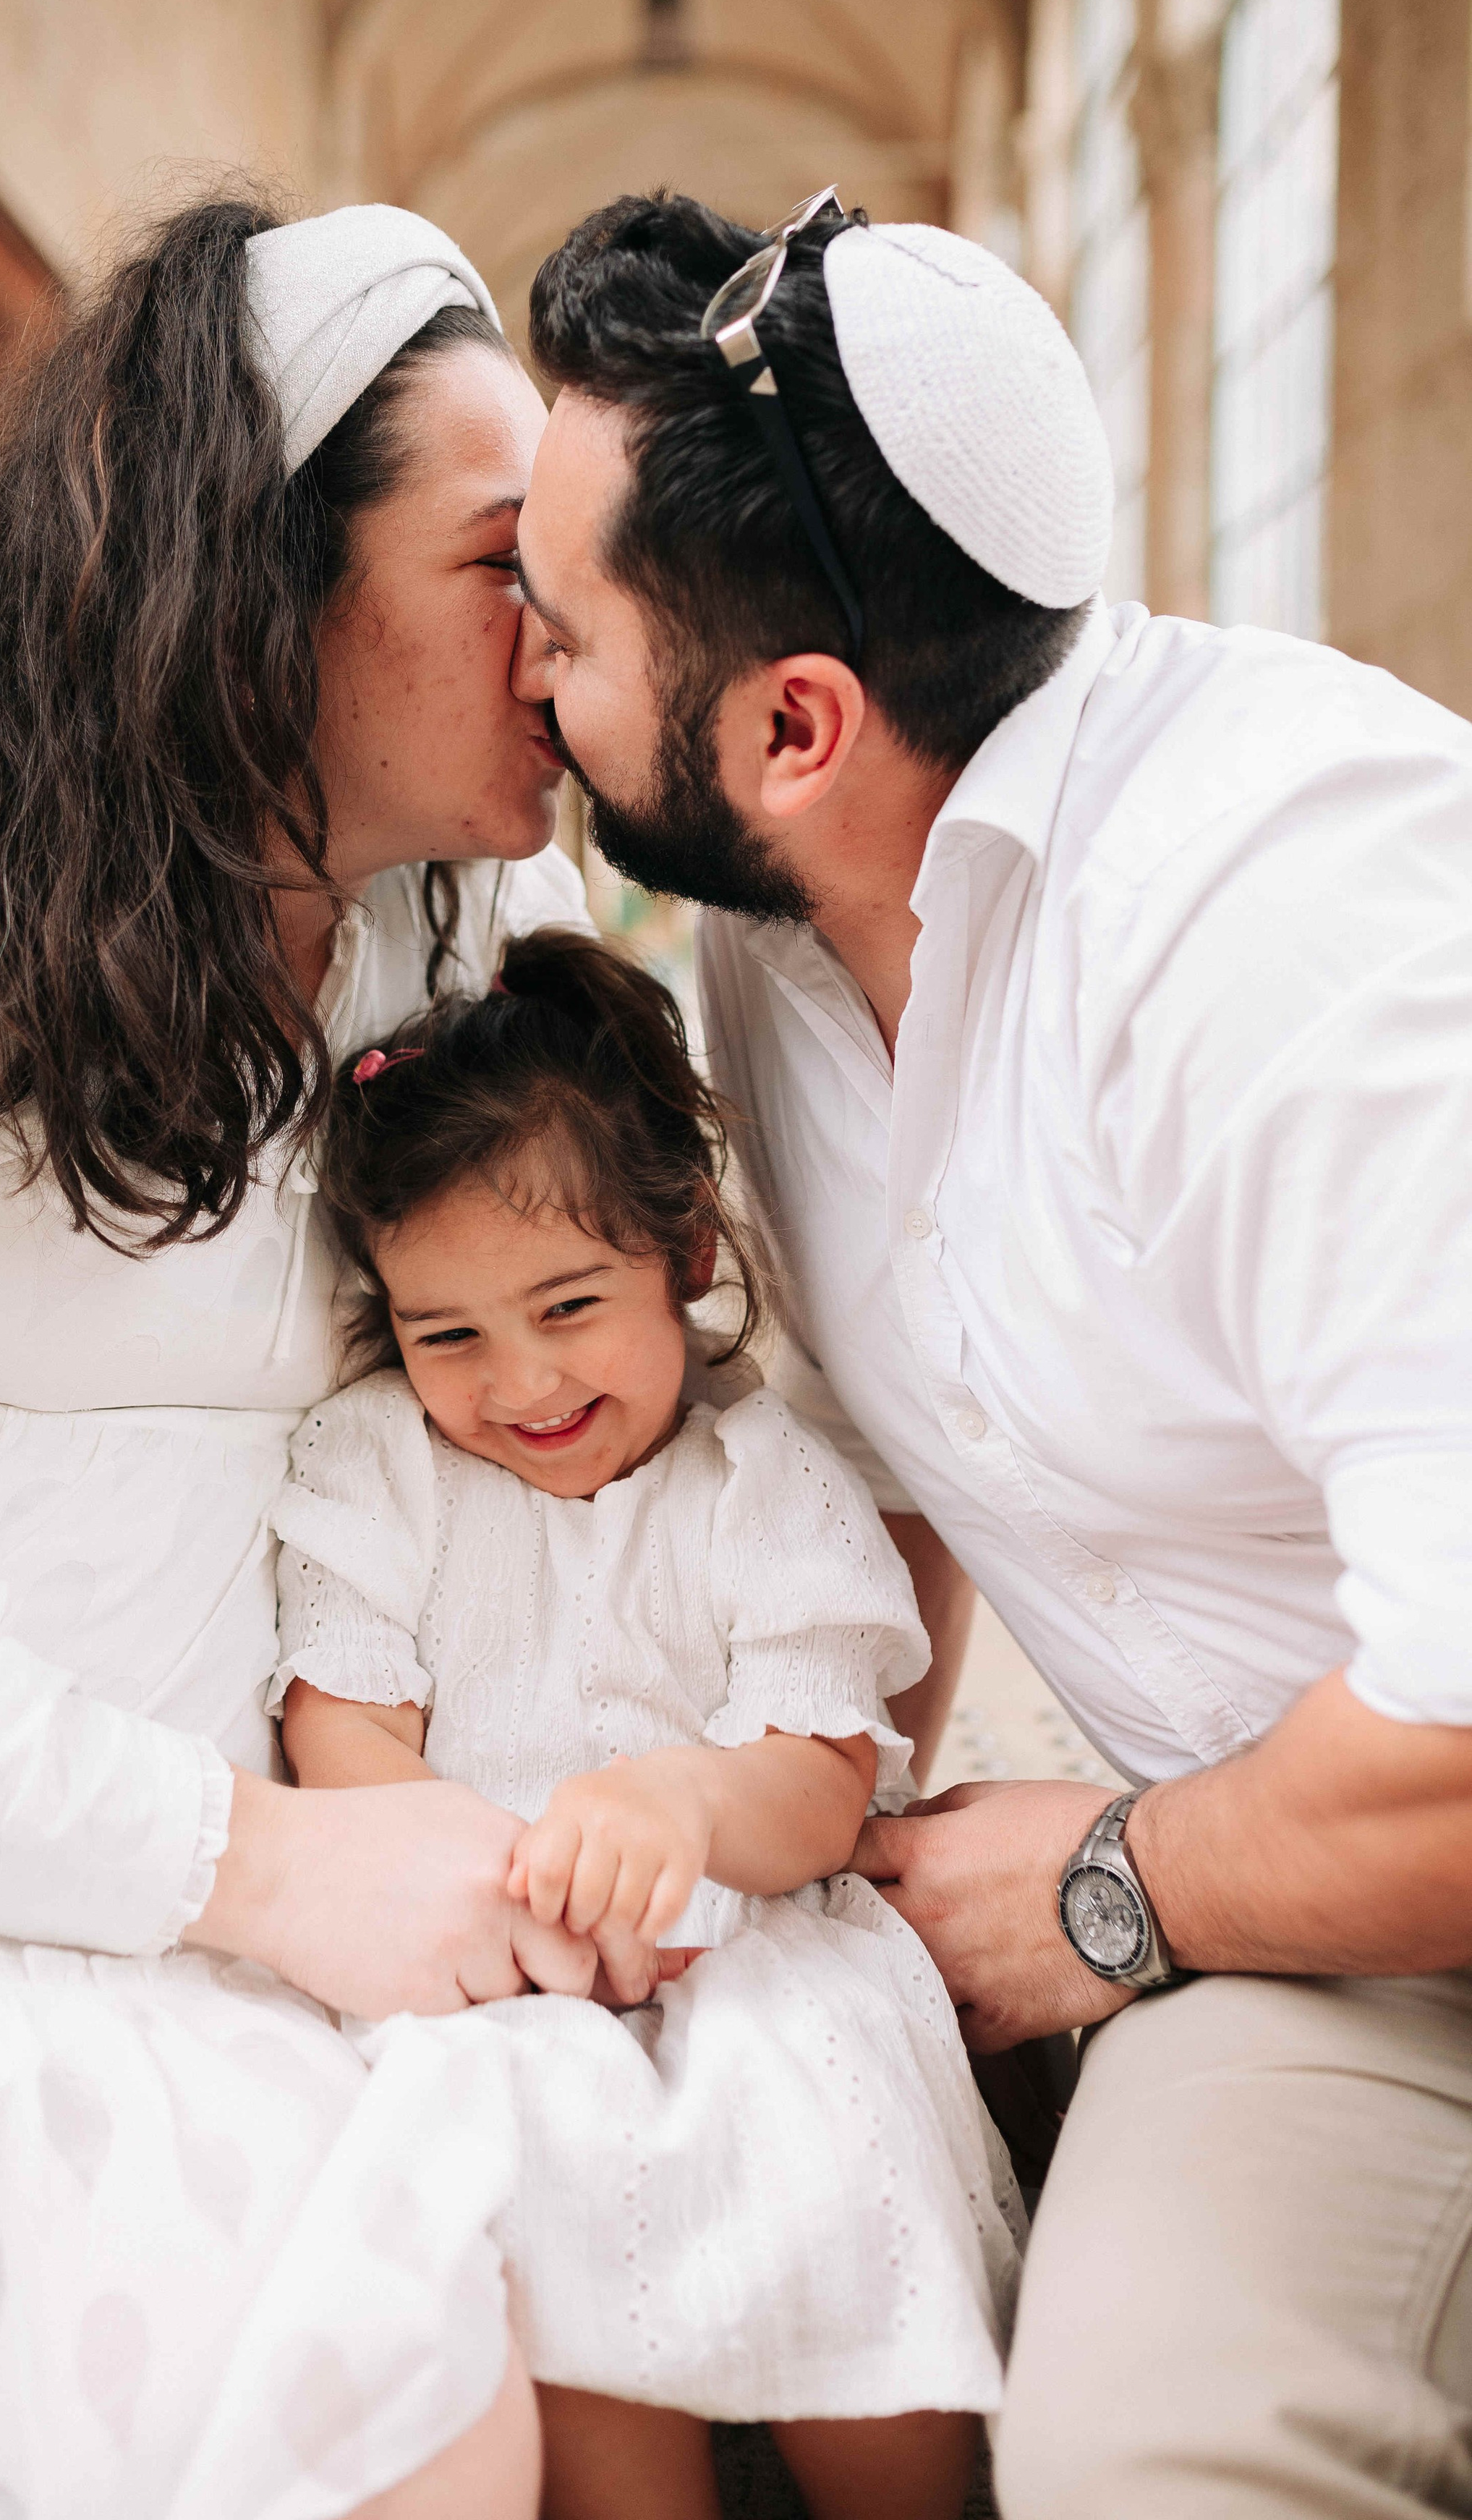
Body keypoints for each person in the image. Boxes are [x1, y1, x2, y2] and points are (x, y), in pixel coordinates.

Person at [0, 192, 623, 2516]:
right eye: (504, 562)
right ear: (256, 582)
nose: (567, 630)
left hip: (298, 1890)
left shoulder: (479, 930)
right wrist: (246, 1867)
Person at [509, 187, 1472, 2519]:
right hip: (1300, 1916)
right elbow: (900, 1464)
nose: (519, 670)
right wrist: (829, 1859)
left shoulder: (1297, 932)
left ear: (794, 725)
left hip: (1346, 1865)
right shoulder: (793, 930)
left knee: (1153, 2473)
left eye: (561, 627)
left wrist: (1108, 1891)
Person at [269, 926, 1021, 2520]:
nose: (520, 1381)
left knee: (822, 2123)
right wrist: (492, 1885)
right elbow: (344, 1736)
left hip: (747, 1943)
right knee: (533, 2179)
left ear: (683, 1254)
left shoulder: (763, 1486)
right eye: (447, 1334)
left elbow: (819, 1786)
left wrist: (682, 1804)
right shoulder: (377, 1468)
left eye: (567, 1305)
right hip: (492, 1961)